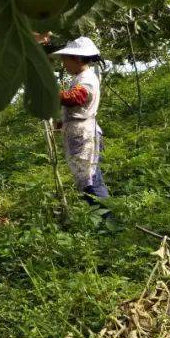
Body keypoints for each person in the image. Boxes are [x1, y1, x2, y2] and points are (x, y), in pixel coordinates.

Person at [50, 37, 112, 215]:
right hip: (79, 132)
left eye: (65, 60)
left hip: (84, 135)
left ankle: (108, 221)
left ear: (76, 59)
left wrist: (48, 89)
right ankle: (103, 219)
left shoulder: (86, 79)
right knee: (87, 180)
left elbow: (76, 98)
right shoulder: (80, 77)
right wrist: (61, 120)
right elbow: (76, 104)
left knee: (91, 182)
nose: (64, 65)